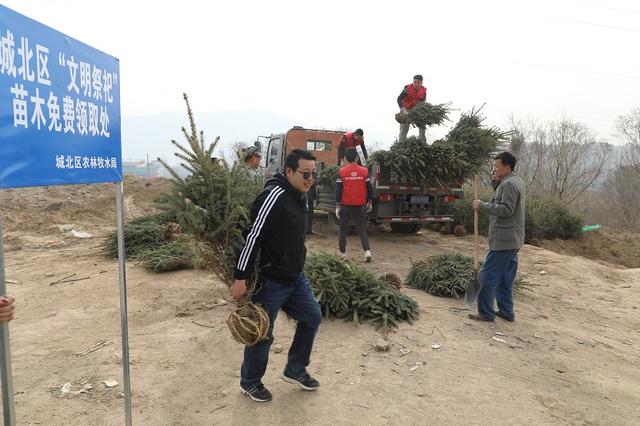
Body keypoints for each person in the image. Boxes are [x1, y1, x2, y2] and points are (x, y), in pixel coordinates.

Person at [229, 148, 322, 402]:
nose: (310, 179)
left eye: (314, 174)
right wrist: (240, 278)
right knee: (262, 333)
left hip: (295, 277)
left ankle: (295, 369)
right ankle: (250, 382)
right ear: (289, 171)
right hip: (270, 281)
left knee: (312, 316)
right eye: (305, 173)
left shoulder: (300, 194)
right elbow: (253, 237)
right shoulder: (274, 196)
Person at [470, 152, 525, 322]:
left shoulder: (509, 184)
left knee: (486, 277)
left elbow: (506, 209)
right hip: (512, 239)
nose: (493, 169)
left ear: (506, 167)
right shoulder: (514, 181)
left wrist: (482, 205)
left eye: (496, 166)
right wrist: (495, 183)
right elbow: (502, 199)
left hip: (504, 240)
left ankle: (486, 313)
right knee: (504, 278)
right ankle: (507, 312)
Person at [336, 148, 373, 262]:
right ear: (357, 158)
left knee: (343, 229)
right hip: (360, 206)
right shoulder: (364, 171)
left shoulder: (342, 172)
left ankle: (342, 254)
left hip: (346, 206)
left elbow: (338, 190)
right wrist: (370, 201)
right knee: (361, 229)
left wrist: (338, 206)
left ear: (346, 158)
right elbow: (370, 188)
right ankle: (367, 252)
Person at [397, 74, 427, 142]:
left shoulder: (424, 91)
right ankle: (401, 144)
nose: (416, 84)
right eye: (414, 82)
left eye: (418, 83)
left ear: (421, 83)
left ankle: (422, 143)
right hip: (406, 109)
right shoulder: (407, 88)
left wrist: (418, 110)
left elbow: (422, 103)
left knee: (422, 125)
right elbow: (399, 99)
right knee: (404, 128)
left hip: (416, 110)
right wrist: (402, 108)